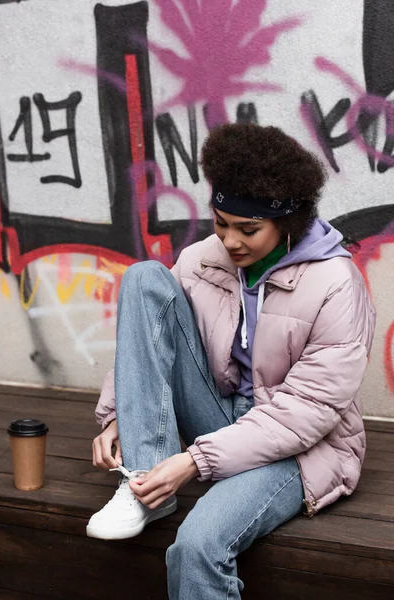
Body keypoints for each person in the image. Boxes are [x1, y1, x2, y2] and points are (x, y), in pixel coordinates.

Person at [88, 124, 376, 600]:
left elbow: (305, 413)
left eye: (248, 229)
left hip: (300, 447)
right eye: (221, 223)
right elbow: (152, 336)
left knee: (197, 546)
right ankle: (143, 481)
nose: (230, 241)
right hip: (221, 417)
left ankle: (161, 483)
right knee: (144, 278)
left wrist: (194, 462)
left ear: (288, 222)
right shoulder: (206, 258)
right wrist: (118, 413)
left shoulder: (336, 284)